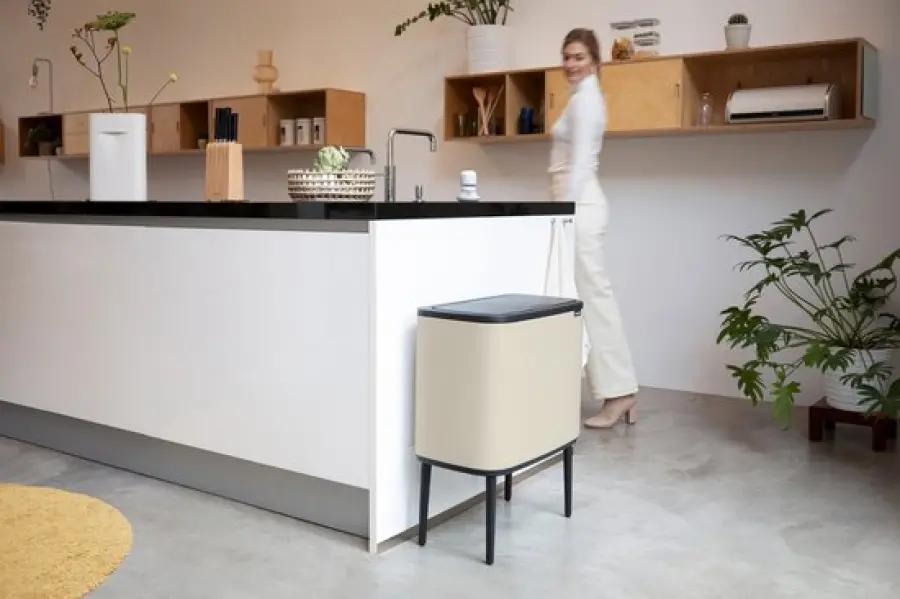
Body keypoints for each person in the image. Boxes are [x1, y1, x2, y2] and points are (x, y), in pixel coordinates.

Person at [549, 28, 639, 428]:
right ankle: (615, 390)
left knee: (594, 301)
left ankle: (620, 393)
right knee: (584, 300)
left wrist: (563, 212)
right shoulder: (580, 98)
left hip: (580, 208)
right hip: (574, 206)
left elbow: (582, 164)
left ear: (595, 61)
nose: (571, 63)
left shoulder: (587, 101)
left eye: (579, 57)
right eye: (567, 56)